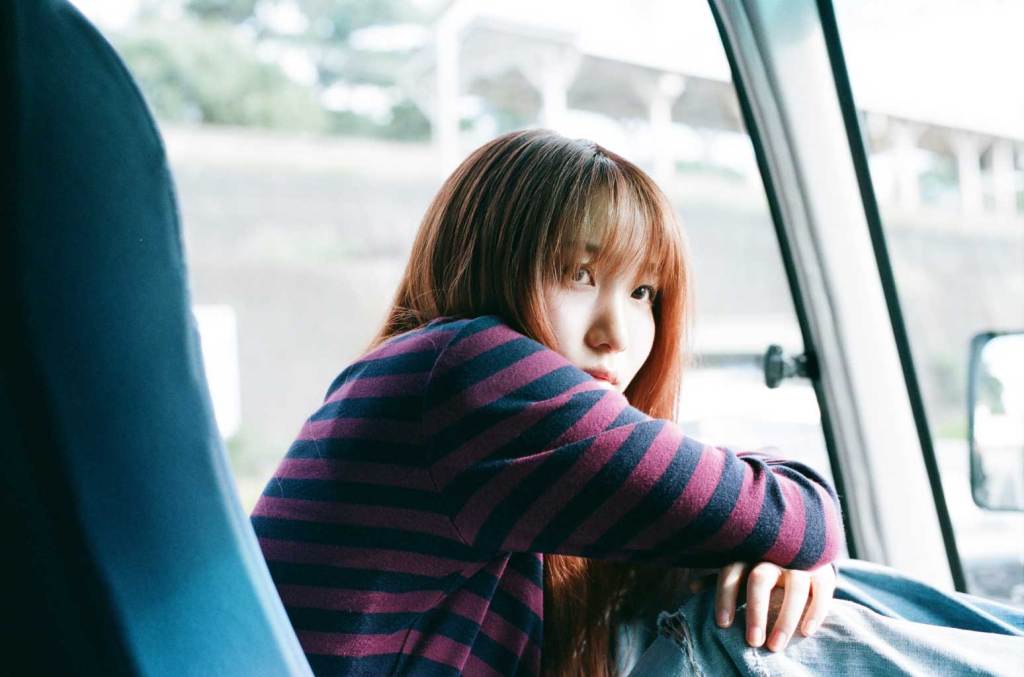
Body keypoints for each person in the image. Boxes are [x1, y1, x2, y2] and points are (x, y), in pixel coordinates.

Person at [250, 129, 1021, 676]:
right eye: (579, 274)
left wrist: (780, 556)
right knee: (735, 619)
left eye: (644, 292)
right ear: (485, 264)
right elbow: (794, 512)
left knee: (735, 583)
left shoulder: (460, 429)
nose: (617, 332)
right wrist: (787, 542)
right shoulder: (466, 375)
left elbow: (771, 522)